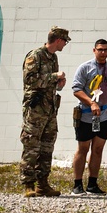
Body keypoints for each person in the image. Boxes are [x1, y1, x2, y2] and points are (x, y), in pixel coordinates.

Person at [70, 39, 107, 195]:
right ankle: (77, 184)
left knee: (98, 149)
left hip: (103, 115)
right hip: (86, 114)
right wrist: (91, 103)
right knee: (83, 148)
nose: (103, 53)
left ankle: (92, 184)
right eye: (100, 49)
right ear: (94, 50)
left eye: (106, 50)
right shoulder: (85, 68)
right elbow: (76, 89)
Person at [21, 26, 70, 198]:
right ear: (58, 40)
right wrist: (54, 76)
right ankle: (28, 184)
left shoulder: (53, 57)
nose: (65, 44)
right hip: (35, 110)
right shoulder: (35, 56)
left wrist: (59, 84)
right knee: (31, 145)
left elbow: (49, 83)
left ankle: (43, 184)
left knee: (47, 146)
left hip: (50, 109)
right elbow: (31, 81)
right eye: (65, 41)